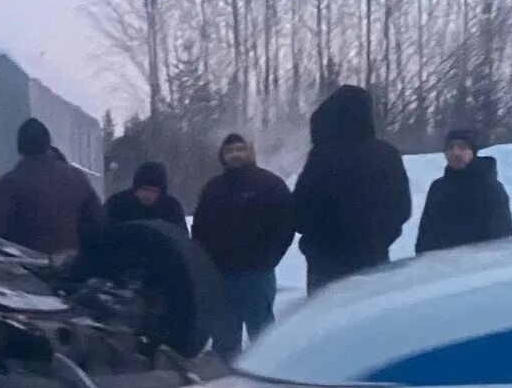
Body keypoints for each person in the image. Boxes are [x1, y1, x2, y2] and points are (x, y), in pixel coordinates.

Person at [294, 84, 411, 292]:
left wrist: (318, 241)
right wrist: (381, 238)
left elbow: (300, 210)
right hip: (374, 258)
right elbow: (401, 208)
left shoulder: (322, 157)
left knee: (327, 321)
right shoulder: (387, 155)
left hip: (326, 263)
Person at [192, 133, 296, 360]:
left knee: (264, 337)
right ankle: (224, 387)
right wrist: (205, 265)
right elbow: (199, 229)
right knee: (224, 340)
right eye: (230, 151)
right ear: (223, 156)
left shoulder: (269, 184)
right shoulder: (213, 189)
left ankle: (270, 381)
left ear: (250, 152)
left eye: (240, 149)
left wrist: (270, 258)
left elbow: (286, 224)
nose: (235, 154)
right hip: (221, 276)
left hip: (256, 275)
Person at [0, 118, 104, 254]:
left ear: (20, 148)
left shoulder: (9, 182)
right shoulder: (77, 177)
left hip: (27, 266)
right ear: (48, 143)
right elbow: (98, 223)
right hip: (70, 266)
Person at [415, 127, 512, 254]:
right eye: (450, 147)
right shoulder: (438, 188)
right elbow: (426, 234)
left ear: (473, 151)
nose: (455, 152)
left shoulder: (489, 187)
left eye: (462, 147)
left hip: (479, 266)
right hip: (440, 267)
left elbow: (503, 236)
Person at [104, 160, 188, 229]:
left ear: (161, 192)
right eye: (144, 189)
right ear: (136, 188)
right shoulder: (117, 205)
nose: (148, 195)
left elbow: (181, 241)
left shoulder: (171, 209)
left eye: (154, 191)